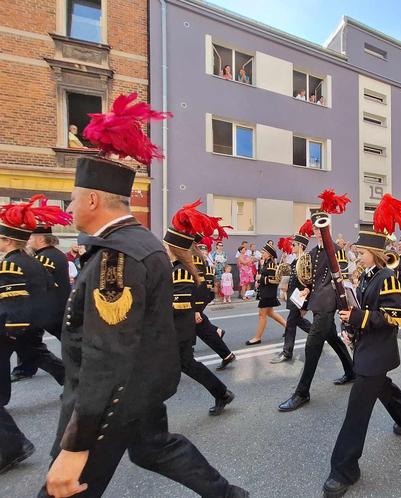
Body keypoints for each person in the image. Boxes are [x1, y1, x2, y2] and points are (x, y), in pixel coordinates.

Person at [39, 94, 247, 498]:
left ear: (94, 200)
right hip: (138, 388)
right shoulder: (141, 243)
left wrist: (75, 444)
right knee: (155, 448)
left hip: (112, 404)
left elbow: (106, 353)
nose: (71, 205)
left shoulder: (117, 255)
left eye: (74, 197)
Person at [323, 196, 401, 498]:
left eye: (362, 251)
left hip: (377, 354)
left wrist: (358, 317)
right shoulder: (364, 277)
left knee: (357, 411)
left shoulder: (387, 278)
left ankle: (344, 470)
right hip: (366, 348)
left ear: (376, 253)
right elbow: (354, 308)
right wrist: (349, 325)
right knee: (382, 388)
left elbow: (393, 318)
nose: (357, 255)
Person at [0, 197, 68, 473]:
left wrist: (10, 334)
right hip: (33, 322)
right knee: (38, 354)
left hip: (16, 327)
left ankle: (13, 444)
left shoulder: (13, 264)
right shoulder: (32, 261)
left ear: (6, 241)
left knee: (34, 354)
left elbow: (13, 304)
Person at [278, 204, 355, 412]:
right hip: (317, 303)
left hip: (328, 304)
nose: (316, 231)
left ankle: (302, 392)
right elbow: (309, 280)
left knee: (312, 346)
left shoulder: (336, 252)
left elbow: (342, 281)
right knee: (333, 339)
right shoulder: (313, 252)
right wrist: (304, 295)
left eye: (320, 227)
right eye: (314, 228)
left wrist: (342, 308)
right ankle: (351, 371)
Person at [164, 208, 235, 415]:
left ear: (175, 249)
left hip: (180, 329)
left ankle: (222, 393)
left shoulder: (181, 271)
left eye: (167, 246)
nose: (165, 249)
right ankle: (222, 393)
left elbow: (180, 304)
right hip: (179, 329)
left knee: (184, 364)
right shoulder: (177, 268)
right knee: (186, 365)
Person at [11, 224, 73, 382]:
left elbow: (38, 284)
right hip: (56, 307)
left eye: (31, 237)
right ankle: (25, 367)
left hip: (50, 309)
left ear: (40, 239)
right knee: (32, 342)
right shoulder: (55, 254)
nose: (29, 241)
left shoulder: (43, 258)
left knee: (32, 345)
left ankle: (71, 378)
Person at [190, 243, 237, 372]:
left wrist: (197, 310)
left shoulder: (196, 262)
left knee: (199, 327)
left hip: (193, 305)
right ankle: (226, 353)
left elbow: (202, 289)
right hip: (192, 305)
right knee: (203, 329)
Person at [271, 226, 313, 363]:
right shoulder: (295, 260)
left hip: (300, 296)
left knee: (290, 323)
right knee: (298, 321)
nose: (292, 246)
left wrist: (306, 297)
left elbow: (308, 280)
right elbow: (292, 278)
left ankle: (287, 352)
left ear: (301, 245)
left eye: (294, 244)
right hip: (293, 295)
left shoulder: (306, 259)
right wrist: (284, 285)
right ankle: (318, 334)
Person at [245, 243, 287, 345]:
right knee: (270, 313)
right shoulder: (267, 262)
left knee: (262, 314)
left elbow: (275, 280)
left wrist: (261, 278)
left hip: (269, 292)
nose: (262, 253)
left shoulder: (271, 264)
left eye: (264, 252)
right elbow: (266, 277)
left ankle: (257, 337)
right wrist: (258, 281)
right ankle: (288, 327)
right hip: (266, 291)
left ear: (269, 254)